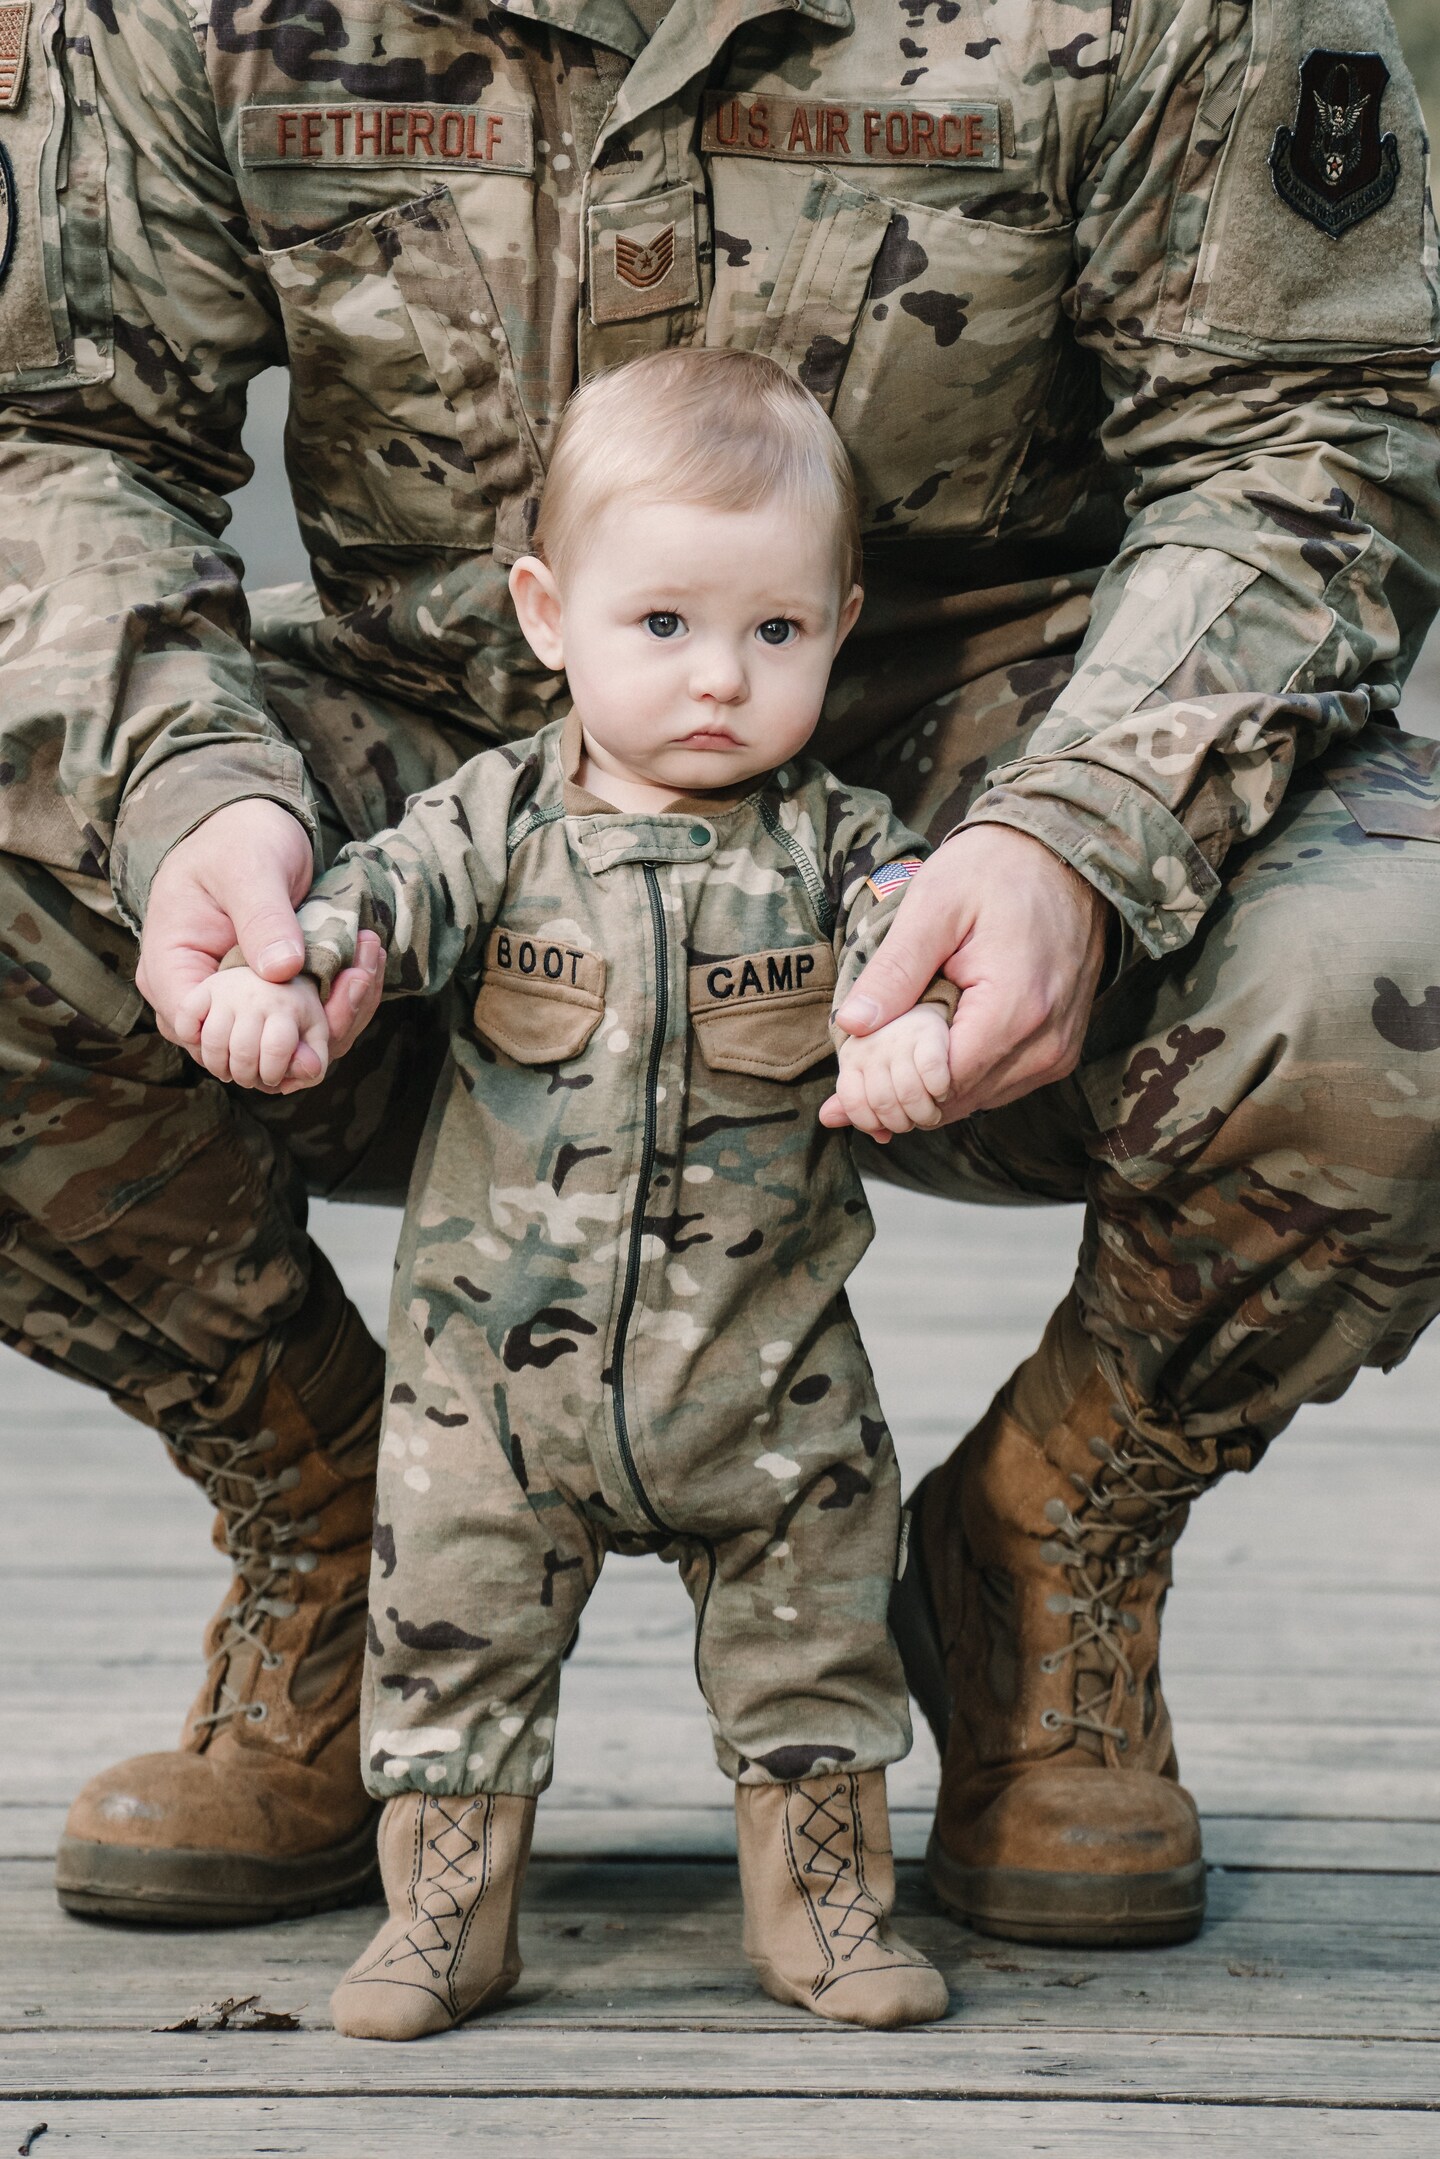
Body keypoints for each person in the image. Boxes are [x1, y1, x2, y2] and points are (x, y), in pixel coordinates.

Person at [1, 0, 1436, 1948]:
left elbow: (1309, 427)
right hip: (427, 798)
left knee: (1404, 963)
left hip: (975, 770)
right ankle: (332, 1517)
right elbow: (59, 428)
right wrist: (190, 788)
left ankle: (1047, 1548)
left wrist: (1082, 824)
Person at [195, 348, 953, 2036]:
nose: (720, 680)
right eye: (664, 624)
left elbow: (913, 933)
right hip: (491, 1382)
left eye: (777, 632)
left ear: (838, 623)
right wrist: (294, 969)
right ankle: (443, 1915)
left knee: (813, 1636)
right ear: (549, 613)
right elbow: (376, 901)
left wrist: (919, 1029)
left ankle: (822, 1904)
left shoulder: (838, 846)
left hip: (764, 1377)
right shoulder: (499, 823)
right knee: (449, 1629)